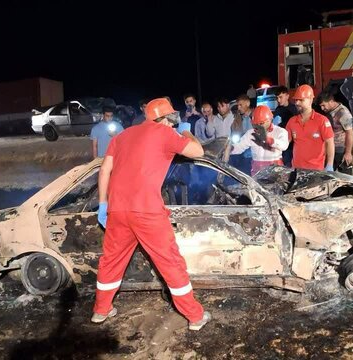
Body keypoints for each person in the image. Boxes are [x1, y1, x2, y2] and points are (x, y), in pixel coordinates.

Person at [92, 98, 211, 331]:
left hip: (117, 209)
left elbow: (105, 169)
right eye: (171, 120)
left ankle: (100, 310)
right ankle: (195, 316)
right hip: (147, 211)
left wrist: (103, 204)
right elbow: (198, 151)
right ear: (166, 119)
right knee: (170, 262)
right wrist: (185, 133)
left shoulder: (122, 136)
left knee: (111, 261)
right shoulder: (165, 134)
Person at [285, 85, 335, 171]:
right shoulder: (292, 122)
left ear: (311, 100)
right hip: (297, 170)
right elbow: (284, 142)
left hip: (316, 171)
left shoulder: (322, 121)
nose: (297, 103)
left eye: (301, 100)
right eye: (296, 100)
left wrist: (329, 164)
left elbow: (330, 143)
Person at [231, 105, 289, 175]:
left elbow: (284, 145)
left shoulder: (280, 131)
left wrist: (269, 140)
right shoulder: (251, 133)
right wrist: (228, 149)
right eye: (255, 124)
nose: (258, 127)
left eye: (261, 123)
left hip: (275, 172)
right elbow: (239, 147)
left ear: (269, 120)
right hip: (257, 173)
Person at [319, 91, 353, 175]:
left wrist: (348, 152)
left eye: (323, 105)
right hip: (331, 148)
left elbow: (350, 133)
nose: (322, 108)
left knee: (345, 176)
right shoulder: (329, 111)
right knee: (329, 175)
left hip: (341, 149)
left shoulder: (343, 113)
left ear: (331, 101)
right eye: (321, 106)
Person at [273, 86, 298, 166]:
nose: (278, 100)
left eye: (280, 97)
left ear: (287, 96)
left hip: (292, 145)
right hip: (280, 144)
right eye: (277, 98)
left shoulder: (294, 110)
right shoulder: (277, 110)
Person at [230, 95, 254, 173]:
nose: (239, 108)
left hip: (253, 152)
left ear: (247, 103)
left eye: (241, 105)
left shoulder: (255, 115)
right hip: (241, 150)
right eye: (238, 105)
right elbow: (234, 131)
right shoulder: (238, 118)